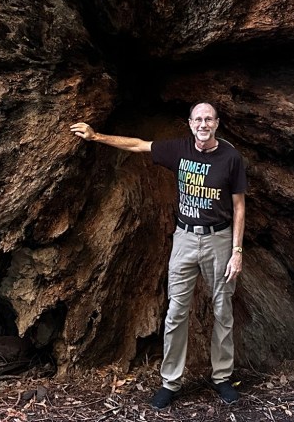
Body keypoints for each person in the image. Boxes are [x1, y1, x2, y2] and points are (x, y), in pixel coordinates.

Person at [70, 102, 247, 408]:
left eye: (209, 119)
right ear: (189, 124)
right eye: (198, 120)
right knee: (176, 312)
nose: (203, 124)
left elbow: (240, 206)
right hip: (184, 239)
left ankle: (222, 377)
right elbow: (139, 145)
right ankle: (171, 382)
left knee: (222, 311)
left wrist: (237, 251)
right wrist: (96, 136)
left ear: (217, 123)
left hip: (219, 239)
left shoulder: (230, 158)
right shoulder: (179, 150)